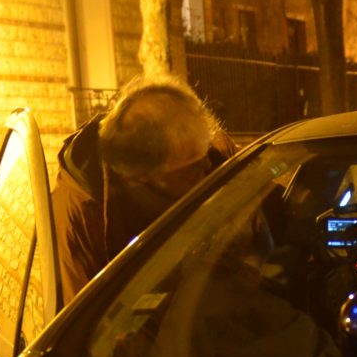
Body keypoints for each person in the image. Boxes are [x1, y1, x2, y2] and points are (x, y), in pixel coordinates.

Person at [53, 79, 236, 301]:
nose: (208, 167)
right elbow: (88, 312)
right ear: (144, 176)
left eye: (206, 153)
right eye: (193, 166)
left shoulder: (204, 147)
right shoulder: (81, 215)